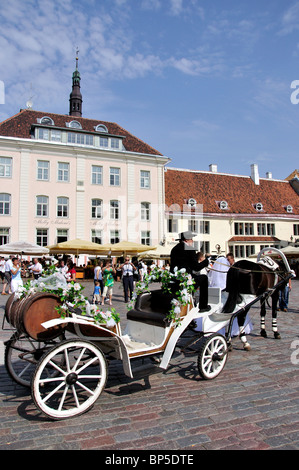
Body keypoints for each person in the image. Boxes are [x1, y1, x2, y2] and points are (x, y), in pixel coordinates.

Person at [170, 231, 210, 312]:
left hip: (175, 279)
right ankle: (203, 306)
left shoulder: (174, 249)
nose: (192, 241)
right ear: (187, 240)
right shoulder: (189, 249)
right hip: (185, 280)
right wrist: (206, 262)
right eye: (191, 239)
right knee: (204, 278)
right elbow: (196, 267)